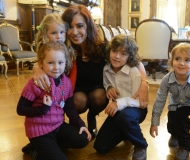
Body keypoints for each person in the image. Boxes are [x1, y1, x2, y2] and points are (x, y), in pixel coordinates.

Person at [33, 4, 149, 139]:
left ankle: (92, 115)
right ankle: (74, 122)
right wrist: (37, 67)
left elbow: (135, 60)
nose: (75, 32)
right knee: (78, 101)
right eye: (70, 27)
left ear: (88, 25)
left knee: (100, 96)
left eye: (80, 26)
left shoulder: (102, 47)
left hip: (98, 89)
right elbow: (45, 59)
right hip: (76, 90)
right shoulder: (62, 49)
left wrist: (144, 82)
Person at [17, 42, 92, 160]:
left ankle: (43, 148)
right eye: (51, 63)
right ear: (41, 63)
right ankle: (37, 149)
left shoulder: (66, 82)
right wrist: (42, 109)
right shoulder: (35, 83)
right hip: (39, 131)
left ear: (65, 63)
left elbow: (70, 107)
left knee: (82, 139)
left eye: (60, 63)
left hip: (57, 126)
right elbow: (21, 109)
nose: (56, 67)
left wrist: (80, 124)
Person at [149, 43, 190, 160]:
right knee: (171, 121)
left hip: (188, 103)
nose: (181, 63)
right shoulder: (167, 79)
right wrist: (154, 122)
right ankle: (174, 134)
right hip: (174, 103)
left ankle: (185, 146)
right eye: (177, 59)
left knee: (180, 118)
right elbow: (160, 100)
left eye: (187, 60)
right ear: (171, 62)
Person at [94, 35, 148, 160]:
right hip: (119, 112)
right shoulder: (106, 69)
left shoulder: (134, 72)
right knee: (100, 146)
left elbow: (139, 102)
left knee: (125, 117)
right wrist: (108, 88)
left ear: (130, 56)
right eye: (114, 51)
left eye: (123, 54)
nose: (117, 56)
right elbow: (106, 82)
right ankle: (127, 131)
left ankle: (141, 144)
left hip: (136, 109)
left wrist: (118, 103)